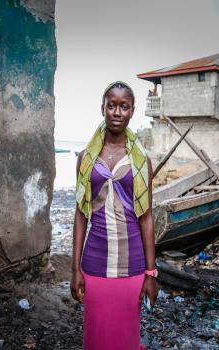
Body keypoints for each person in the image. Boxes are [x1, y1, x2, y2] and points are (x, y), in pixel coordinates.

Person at [71, 81, 160, 350]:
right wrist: (75, 269)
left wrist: (150, 273)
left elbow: (146, 217)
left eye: (124, 107)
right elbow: (80, 214)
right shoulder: (86, 158)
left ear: (132, 112)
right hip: (95, 264)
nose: (117, 112)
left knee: (126, 338)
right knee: (97, 337)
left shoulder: (141, 161)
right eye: (112, 106)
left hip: (132, 266)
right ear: (103, 109)